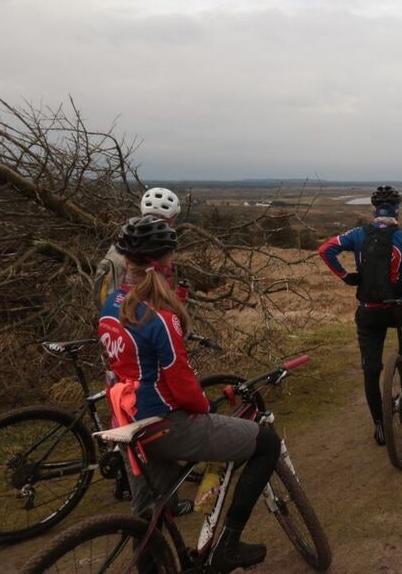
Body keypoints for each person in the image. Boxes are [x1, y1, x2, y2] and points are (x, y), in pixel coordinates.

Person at [99, 215, 280, 572]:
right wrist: (204, 405)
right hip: (163, 423)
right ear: (164, 263)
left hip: (126, 421)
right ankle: (228, 546)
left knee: (148, 515)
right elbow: (182, 384)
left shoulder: (112, 304)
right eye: (171, 256)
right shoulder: (159, 317)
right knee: (267, 444)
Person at [318, 185, 402, 446]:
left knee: (370, 370)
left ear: (374, 211)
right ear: (397, 211)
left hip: (368, 312)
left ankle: (380, 426)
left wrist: (346, 276)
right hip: (397, 309)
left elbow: (325, 249)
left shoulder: (358, 235)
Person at [92, 187, 183, 311]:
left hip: (113, 314)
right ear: (172, 220)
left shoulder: (125, 244)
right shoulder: (154, 257)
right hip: (142, 317)